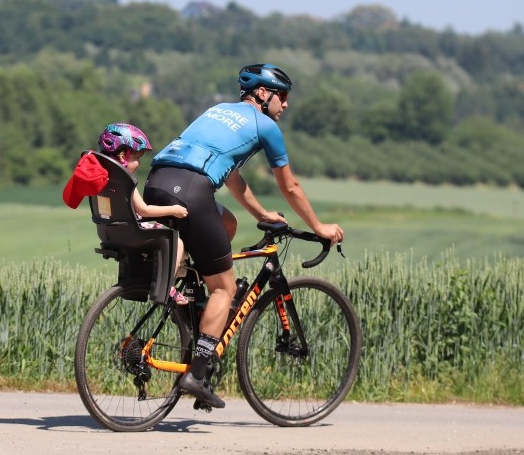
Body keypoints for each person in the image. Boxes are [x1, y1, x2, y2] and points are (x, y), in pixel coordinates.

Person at [144, 63, 345, 409]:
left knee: (229, 225)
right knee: (224, 286)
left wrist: (261, 214)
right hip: (193, 191)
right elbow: (291, 186)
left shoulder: (218, 110)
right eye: (282, 96)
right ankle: (198, 371)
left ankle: (186, 294)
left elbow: (233, 177)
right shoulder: (264, 126)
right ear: (263, 95)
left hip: (157, 183)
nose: (286, 104)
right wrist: (319, 227)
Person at [96, 124, 190, 304]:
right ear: (124, 155)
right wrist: (174, 210)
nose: (139, 163)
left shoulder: (102, 175)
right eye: (137, 157)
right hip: (133, 232)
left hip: (109, 231)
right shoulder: (123, 179)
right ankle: (168, 286)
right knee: (176, 241)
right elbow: (144, 210)